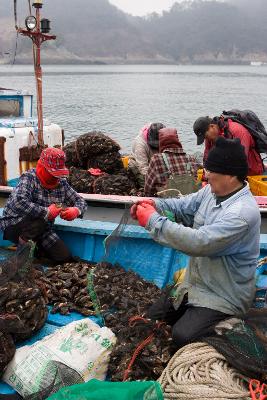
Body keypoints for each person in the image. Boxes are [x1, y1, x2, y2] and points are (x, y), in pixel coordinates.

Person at [131, 137, 260, 348]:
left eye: (210, 170)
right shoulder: (211, 192)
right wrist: (154, 204)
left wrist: (153, 220)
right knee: (151, 319)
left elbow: (199, 242)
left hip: (224, 296)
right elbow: (181, 206)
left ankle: (230, 324)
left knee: (182, 336)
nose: (205, 174)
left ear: (229, 175)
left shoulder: (242, 214)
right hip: (194, 285)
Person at [0, 147, 87, 263]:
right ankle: (20, 258)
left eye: (58, 174)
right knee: (40, 220)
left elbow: (81, 201)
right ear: (41, 167)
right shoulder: (29, 178)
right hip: (13, 225)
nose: (56, 177)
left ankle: (35, 250)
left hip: (42, 229)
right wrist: (47, 212)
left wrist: (76, 210)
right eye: (52, 173)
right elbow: (19, 202)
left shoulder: (62, 183)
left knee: (64, 257)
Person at [193, 115, 264, 176]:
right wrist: (206, 171)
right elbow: (207, 157)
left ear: (212, 126)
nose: (206, 139)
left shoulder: (238, 131)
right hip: (228, 173)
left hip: (251, 172)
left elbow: (241, 160)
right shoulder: (209, 138)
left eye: (205, 136)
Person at [144, 128, 198, 197]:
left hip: (167, 205)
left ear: (161, 142)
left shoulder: (156, 159)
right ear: (177, 141)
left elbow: (148, 189)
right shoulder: (191, 158)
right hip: (189, 203)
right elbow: (195, 183)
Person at [128, 122, 166, 187]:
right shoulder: (139, 144)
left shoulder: (163, 134)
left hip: (154, 163)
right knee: (147, 185)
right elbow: (143, 168)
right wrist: (156, 183)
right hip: (139, 166)